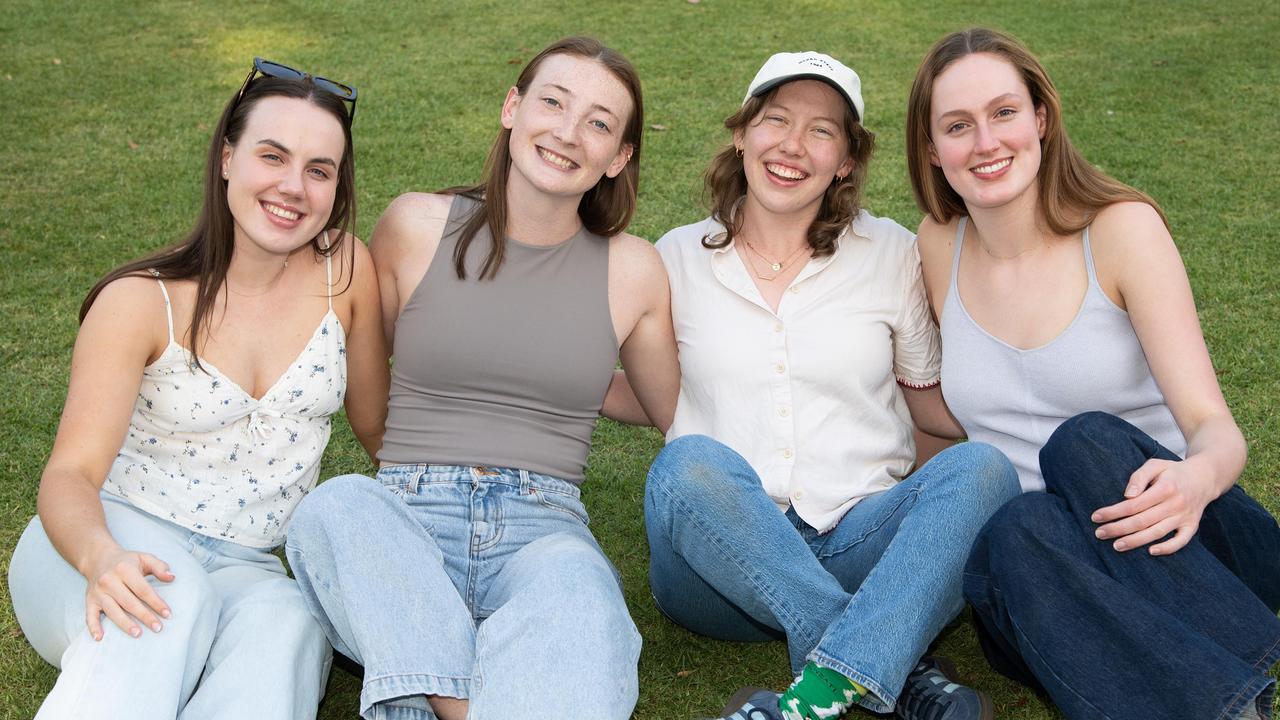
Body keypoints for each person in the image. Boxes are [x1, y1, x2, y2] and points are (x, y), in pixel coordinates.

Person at [283, 36, 679, 720]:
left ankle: (423, 689)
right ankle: (473, 696)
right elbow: (364, 379)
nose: (567, 131)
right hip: (407, 506)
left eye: (599, 123)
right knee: (333, 508)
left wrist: (576, 383)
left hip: (544, 527)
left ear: (618, 158)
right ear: (512, 108)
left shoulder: (633, 270)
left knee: (584, 589)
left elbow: (666, 407)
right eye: (553, 102)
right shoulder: (414, 225)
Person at [906, 27, 1280, 720]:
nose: (985, 142)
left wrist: (1193, 481)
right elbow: (936, 423)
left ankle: (1216, 695)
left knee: (1081, 445)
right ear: (933, 149)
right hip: (1045, 583)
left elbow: (1213, 428)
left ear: (1041, 118)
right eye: (958, 126)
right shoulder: (936, 246)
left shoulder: (1119, 230)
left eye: (1003, 113)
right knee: (1015, 525)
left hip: (1181, 544)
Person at [640, 51, 1020, 720]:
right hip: (713, 568)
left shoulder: (892, 253)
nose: (792, 145)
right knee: (686, 462)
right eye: (775, 120)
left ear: (846, 159)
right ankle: (897, 670)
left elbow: (925, 402)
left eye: (821, 131)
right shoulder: (672, 257)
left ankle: (820, 691)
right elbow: (647, 393)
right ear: (742, 134)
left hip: (855, 538)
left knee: (985, 469)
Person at [7, 58, 387, 719]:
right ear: (228, 157)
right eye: (274, 156)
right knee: (170, 599)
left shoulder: (346, 272)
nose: (294, 187)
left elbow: (382, 431)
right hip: (99, 541)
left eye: (319, 170)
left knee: (290, 625)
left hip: (249, 567)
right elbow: (69, 475)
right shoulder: (139, 302)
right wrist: (102, 558)